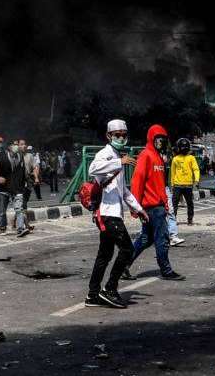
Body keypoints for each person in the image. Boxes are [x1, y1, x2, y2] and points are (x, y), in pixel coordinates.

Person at [85, 119, 147, 309]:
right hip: (107, 213)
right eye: (117, 135)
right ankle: (109, 289)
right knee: (127, 250)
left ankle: (92, 295)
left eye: (123, 135)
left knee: (104, 255)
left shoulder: (116, 156)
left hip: (114, 213)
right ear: (108, 136)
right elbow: (92, 169)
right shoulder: (105, 154)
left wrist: (138, 209)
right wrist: (119, 162)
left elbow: (123, 190)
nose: (121, 138)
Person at [127, 124, 184, 280]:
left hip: (157, 205)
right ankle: (166, 270)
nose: (161, 142)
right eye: (158, 138)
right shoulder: (146, 155)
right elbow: (137, 181)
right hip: (151, 207)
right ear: (151, 139)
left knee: (146, 239)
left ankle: (123, 265)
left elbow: (160, 184)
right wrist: (135, 207)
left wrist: (165, 202)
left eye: (163, 139)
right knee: (162, 238)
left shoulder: (158, 157)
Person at [170, 138, 200, 226]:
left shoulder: (191, 158)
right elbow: (173, 172)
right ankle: (173, 220)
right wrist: (172, 184)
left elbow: (196, 169)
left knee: (189, 203)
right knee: (175, 204)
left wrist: (196, 180)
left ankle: (190, 220)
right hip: (178, 185)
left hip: (187, 185)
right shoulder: (175, 159)